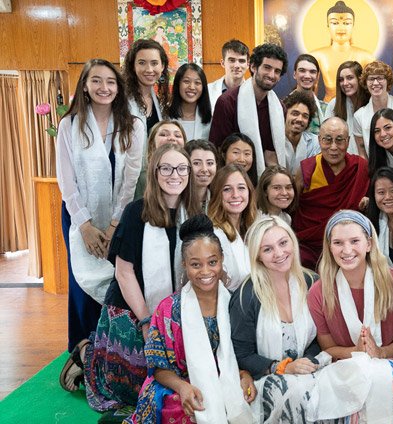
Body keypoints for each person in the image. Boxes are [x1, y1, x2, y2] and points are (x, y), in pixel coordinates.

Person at [59, 144, 200, 413]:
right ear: (155, 173)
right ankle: (87, 354)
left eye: (182, 168)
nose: (175, 175)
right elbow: (124, 273)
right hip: (129, 305)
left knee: (176, 377)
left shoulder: (191, 214)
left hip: (170, 309)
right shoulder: (137, 212)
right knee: (132, 388)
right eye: (166, 168)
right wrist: (147, 320)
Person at [125, 214, 255, 424]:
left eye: (212, 262)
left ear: (222, 259)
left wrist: (244, 375)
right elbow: (158, 368)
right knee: (185, 408)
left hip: (224, 379)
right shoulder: (167, 309)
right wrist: (182, 387)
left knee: (244, 399)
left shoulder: (235, 305)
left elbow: (243, 354)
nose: (205, 272)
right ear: (184, 264)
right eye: (196, 264)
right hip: (175, 385)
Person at [55, 59, 144, 354]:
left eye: (110, 81)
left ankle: (114, 350)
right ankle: (84, 349)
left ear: (118, 88)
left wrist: (114, 224)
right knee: (83, 284)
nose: (103, 87)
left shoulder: (132, 124)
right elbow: (67, 181)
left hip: (119, 220)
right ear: (84, 85)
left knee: (116, 282)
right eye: (96, 80)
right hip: (80, 218)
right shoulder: (69, 125)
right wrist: (85, 225)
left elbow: (130, 179)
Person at [306, 210, 393, 422]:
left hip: (390, 363)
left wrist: (379, 352)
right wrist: (356, 351)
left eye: (355, 240)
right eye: (338, 243)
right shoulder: (319, 292)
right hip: (343, 365)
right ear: (329, 247)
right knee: (352, 384)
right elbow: (328, 348)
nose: (347, 250)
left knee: (382, 378)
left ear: (369, 244)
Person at [230, 216, 322, 423]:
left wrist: (306, 362)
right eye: (267, 249)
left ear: (292, 241)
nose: (279, 253)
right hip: (265, 379)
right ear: (258, 256)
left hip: (309, 371)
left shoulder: (312, 282)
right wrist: (281, 368)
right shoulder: (247, 295)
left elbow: (321, 338)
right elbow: (241, 353)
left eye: (283, 243)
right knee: (295, 392)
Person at [293, 117, 369, 269]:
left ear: (348, 141)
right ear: (320, 140)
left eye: (339, 140)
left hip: (348, 245)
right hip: (311, 247)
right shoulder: (307, 169)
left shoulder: (360, 168)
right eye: (327, 140)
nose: (333, 147)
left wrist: (368, 202)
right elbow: (293, 208)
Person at [209, 43, 288, 180]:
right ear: (253, 67)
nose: (271, 75)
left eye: (277, 71)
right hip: (231, 178)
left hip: (263, 181)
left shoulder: (279, 108)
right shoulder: (227, 102)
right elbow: (218, 150)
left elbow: (271, 154)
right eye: (267, 68)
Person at [310, 0, 376, 102]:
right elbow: (312, 89)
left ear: (353, 26)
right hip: (328, 107)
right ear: (328, 26)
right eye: (335, 23)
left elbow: (372, 89)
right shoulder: (317, 56)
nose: (341, 28)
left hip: (356, 108)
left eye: (346, 23)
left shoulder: (366, 57)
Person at [207, 164, 257, 290]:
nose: (235, 195)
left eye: (241, 188)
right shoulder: (213, 235)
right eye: (227, 189)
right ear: (217, 194)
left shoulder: (253, 230)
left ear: (249, 192)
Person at [122, 39, 170, 141]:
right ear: (133, 66)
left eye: (154, 63)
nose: (149, 69)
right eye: (142, 63)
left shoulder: (158, 103)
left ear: (162, 66)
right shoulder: (121, 99)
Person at [323, 60, 370, 156]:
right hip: (341, 161)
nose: (345, 83)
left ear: (360, 79)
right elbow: (326, 136)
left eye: (350, 78)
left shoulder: (371, 103)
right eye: (341, 79)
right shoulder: (334, 104)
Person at [134, 120, 187, 199]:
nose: (172, 138)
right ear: (152, 143)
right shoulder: (142, 179)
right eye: (164, 134)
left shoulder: (191, 176)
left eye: (177, 136)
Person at [168, 63, 212, 140]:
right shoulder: (165, 115)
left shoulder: (211, 118)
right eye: (186, 81)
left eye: (197, 83)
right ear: (178, 84)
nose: (191, 87)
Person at [282, 90, 320, 174]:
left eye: (305, 116)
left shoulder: (315, 143)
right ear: (284, 114)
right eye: (295, 114)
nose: (300, 119)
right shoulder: (273, 141)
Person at [207, 39, 250, 112]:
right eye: (232, 60)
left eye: (241, 61)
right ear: (223, 63)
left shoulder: (254, 93)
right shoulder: (207, 91)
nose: (237, 65)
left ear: (247, 65)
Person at [290, 54, 326, 134]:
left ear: (317, 76)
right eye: (302, 70)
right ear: (294, 74)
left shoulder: (326, 109)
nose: (307, 76)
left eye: (312, 72)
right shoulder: (282, 107)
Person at [184, 139, 218, 213]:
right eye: (197, 163)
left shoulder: (219, 200)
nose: (204, 169)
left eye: (210, 163)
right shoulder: (173, 200)